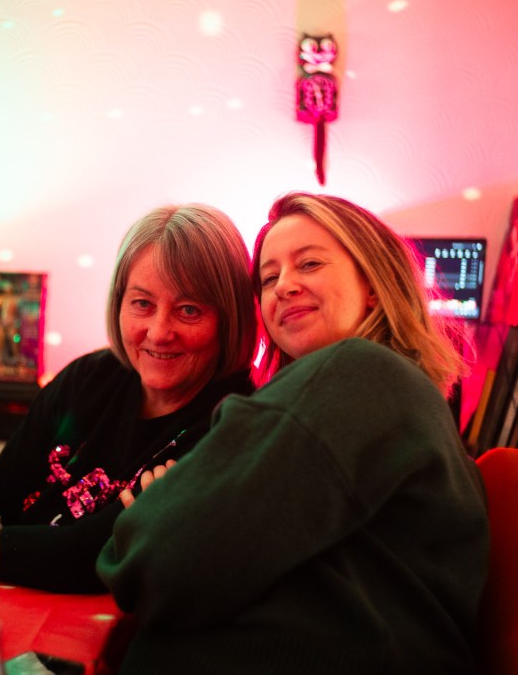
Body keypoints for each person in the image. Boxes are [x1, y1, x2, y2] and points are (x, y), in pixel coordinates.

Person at [97, 192, 490, 672]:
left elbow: (153, 565)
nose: (284, 286)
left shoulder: (357, 372)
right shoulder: (385, 396)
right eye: (269, 278)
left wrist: (154, 511)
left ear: (372, 284)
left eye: (309, 264)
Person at [0, 203, 257, 593]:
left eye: (188, 310)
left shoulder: (234, 425)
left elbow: (87, 560)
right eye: (142, 304)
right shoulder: (88, 378)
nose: (158, 332)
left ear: (229, 317)